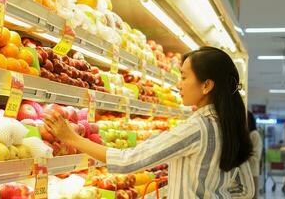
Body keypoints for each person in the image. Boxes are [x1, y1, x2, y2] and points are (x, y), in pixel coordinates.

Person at [44, 47, 255, 198]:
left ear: (206, 85)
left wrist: (72, 138)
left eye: (183, 77)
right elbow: (245, 190)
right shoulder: (232, 126)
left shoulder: (197, 128)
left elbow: (129, 160)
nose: (179, 84)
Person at [247, 111, 262, 199]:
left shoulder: (254, 134)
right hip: (246, 172)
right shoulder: (247, 134)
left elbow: (256, 157)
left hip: (252, 172)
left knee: (252, 196)